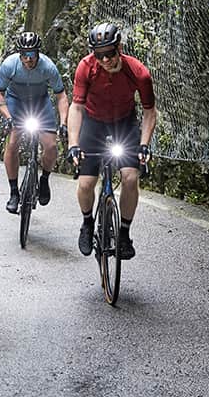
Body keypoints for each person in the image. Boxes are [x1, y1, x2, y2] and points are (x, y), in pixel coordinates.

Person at [65, 22, 156, 260]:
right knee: (85, 184)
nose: (105, 60)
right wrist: (73, 144)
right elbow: (76, 107)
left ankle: (124, 234)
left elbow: (149, 111)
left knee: (130, 177)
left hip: (124, 124)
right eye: (99, 54)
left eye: (110, 53)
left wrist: (145, 144)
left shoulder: (139, 72)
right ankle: (87, 223)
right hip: (93, 124)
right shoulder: (85, 67)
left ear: (120, 48)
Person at [0, 29, 69, 215]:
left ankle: (44, 179)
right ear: (20, 55)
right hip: (16, 102)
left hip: (40, 103)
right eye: (25, 55)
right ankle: (13, 192)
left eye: (32, 55)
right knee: (12, 143)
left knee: (51, 146)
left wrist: (64, 123)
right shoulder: (9, 65)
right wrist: (8, 116)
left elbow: (61, 96)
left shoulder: (48, 67)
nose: (29, 59)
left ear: (38, 53)